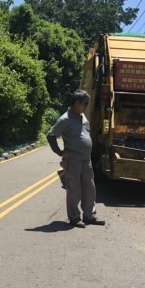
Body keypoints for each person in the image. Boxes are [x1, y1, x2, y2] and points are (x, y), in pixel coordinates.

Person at [47, 90, 105, 228]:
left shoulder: (83, 117)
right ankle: (74, 217)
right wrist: (60, 152)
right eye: (85, 103)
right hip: (73, 161)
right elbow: (51, 135)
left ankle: (89, 216)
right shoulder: (65, 119)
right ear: (77, 103)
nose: (86, 106)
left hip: (86, 160)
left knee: (89, 188)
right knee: (74, 190)